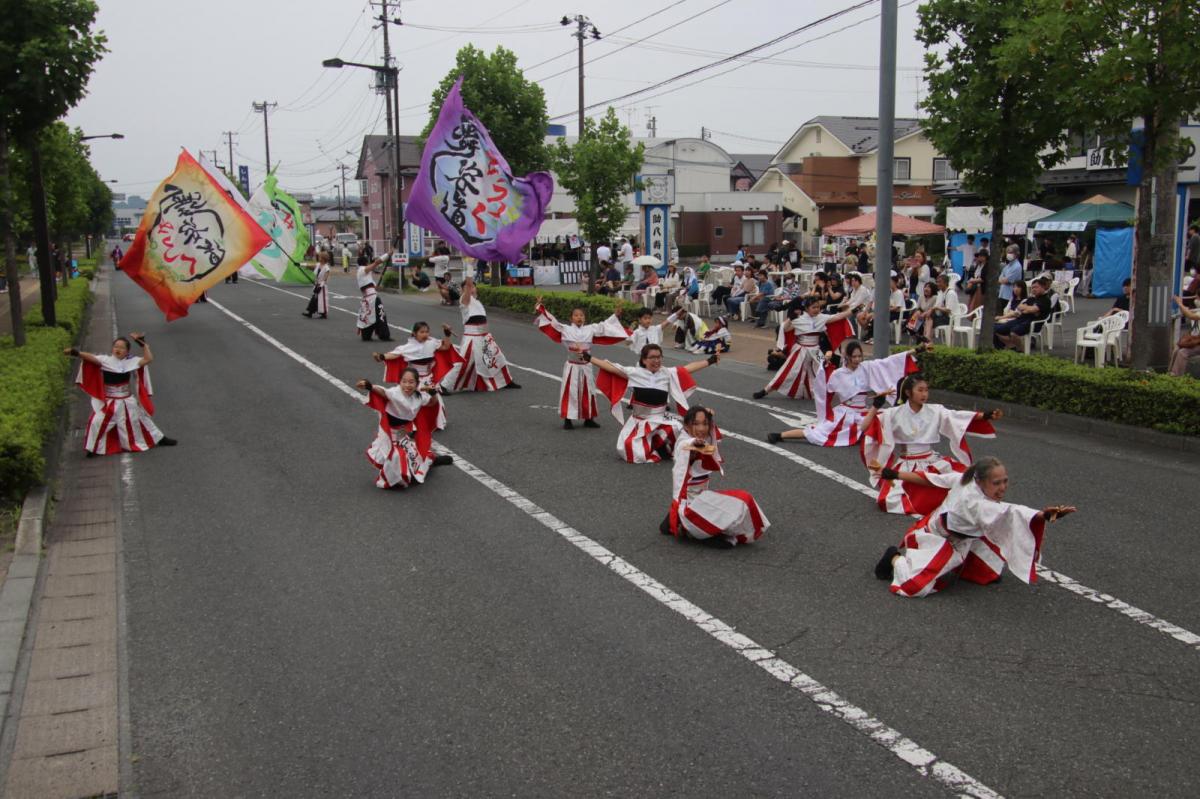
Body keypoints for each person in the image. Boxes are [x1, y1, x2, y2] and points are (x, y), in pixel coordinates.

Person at [871, 456, 1075, 598]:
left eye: (1005, 481)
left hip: (967, 537)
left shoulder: (965, 479)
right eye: (996, 483)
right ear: (981, 481)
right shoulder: (974, 502)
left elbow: (931, 479)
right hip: (941, 540)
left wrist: (894, 474)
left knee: (988, 571)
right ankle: (894, 558)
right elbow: (1010, 512)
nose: (1003, 487)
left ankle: (968, 563)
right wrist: (1044, 515)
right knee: (914, 587)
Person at [860, 372, 1000, 515]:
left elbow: (957, 417)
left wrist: (985, 415)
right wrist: (876, 406)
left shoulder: (935, 410)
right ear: (908, 392)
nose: (924, 394)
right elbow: (865, 428)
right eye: (920, 390)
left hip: (932, 460)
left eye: (926, 390)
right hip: (908, 463)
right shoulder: (893, 413)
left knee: (966, 480)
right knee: (889, 500)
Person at [766, 341, 922, 448]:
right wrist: (824, 363)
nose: (857, 359)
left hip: (864, 411)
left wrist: (917, 350)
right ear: (846, 356)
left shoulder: (867, 367)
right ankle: (780, 435)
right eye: (854, 356)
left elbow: (890, 361)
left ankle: (916, 441)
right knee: (818, 432)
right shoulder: (838, 374)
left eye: (859, 356)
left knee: (890, 418)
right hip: (845, 413)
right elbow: (824, 387)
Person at [662, 406, 769, 547]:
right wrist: (694, 443)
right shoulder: (685, 442)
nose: (701, 428)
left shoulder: (706, 439)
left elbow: (712, 439)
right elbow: (686, 445)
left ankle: (676, 523)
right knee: (739, 505)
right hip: (688, 504)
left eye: (705, 424)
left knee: (744, 500)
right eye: (696, 424)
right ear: (687, 426)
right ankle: (689, 527)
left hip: (702, 497)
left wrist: (708, 418)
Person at [590, 344, 717, 463]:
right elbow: (610, 367)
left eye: (659, 357)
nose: (656, 360)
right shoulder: (634, 373)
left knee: (678, 429)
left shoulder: (667, 373)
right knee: (634, 454)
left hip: (661, 419)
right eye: (652, 357)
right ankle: (660, 446)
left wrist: (710, 360)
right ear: (644, 360)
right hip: (639, 421)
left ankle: (672, 447)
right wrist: (589, 358)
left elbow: (688, 368)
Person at [67, 333, 177, 455]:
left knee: (143, 419)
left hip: (127, 400)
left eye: (121, 347)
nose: (118, 349)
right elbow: (90, 357)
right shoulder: (105, 360)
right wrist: (75, 352)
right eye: (115, 347)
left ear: (127, 351)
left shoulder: (131, 361)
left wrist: (143, 345)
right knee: (96, 421)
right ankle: (92, 449)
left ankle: (160, 439)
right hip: (109, 401)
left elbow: (148, 359)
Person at [534, 297, 630, 429]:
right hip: (572, 366)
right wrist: (540, 307)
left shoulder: (590, 329)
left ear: (585, 318)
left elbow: (605, 326)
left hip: (586, 366)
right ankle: (568, 419)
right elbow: (552, 322)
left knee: (589, 391)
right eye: (576, 315)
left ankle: (588, 418)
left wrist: (616, 315)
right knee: (570, 391)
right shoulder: (565, 329)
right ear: (571, 318)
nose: (579, 317)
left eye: (581, 315)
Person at [357, 368, 452, 489]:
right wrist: (369, 386)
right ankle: (390, 480)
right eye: (404, 381)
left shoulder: (418, 396)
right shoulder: (394, 393)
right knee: (396, 457)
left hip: (403, 435)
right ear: (400, 382)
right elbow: (382, 391)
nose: (407, 385)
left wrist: (433, 393)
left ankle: (432, 461)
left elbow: (432, 403)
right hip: (388, 436)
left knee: (417, 459)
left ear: (417, 383)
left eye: (411, 382)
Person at [753, 297, 854, 400]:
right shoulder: (799, 320)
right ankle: (765, 390)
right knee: (788, 372)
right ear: (806, 308)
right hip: (801, 350)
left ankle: (841, 392)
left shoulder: (822, 317)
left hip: (816, 350)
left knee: (825, 369)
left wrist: (853, 310)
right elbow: (786, 329)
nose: (816, 309)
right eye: (813, 307)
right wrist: (790, 319)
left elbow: (838, 316)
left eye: (818, 307)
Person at [445, 278, 520, 391]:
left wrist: (487, 334)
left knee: (498, 358)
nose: (471, 289)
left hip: (484, 336)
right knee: (464, 363)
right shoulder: (464, 301)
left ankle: (506, 381)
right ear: (463, 290)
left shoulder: (477, 302)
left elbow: (483, 321)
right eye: (468, 287)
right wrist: (469, 271)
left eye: (473, 287)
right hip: (472, 337)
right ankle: (444, 386)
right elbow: (467, 292)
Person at [993, 276, 1052, 350]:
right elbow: (1020, 307)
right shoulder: (1031, 298)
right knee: (994, 328)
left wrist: (1028, 309)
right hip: (1020, 319)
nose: (1033, 289)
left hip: (1032, 323)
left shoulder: (1045, 300)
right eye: (1032, 288)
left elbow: (1033, 310)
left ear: (1043, 287)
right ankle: (1012, 346)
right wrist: (1028, 309)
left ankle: (1022, 350)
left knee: (1014, 332)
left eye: (1036, 287)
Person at [857, 275, 905, 343]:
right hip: (887, 312)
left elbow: (897, 307)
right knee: (871, 316)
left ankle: (873, 335)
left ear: (895, 283)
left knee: (877, 316)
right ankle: (871, 333)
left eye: (890, 282)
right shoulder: (890, 292)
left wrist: (884, 310)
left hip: (896, 313)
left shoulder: (899, 293)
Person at [357, 251, 392, 341]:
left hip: (370, 297)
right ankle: (384, 335)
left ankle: (367, 335)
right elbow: (377, 262)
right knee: (380, 315)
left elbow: (373, 287)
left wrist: (377, 287)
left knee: (369, 316)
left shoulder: (365, 274)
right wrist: (387, 255)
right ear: (366, 263)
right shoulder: (362, 270)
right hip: (372, 298)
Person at [1169, 295, 1200, 376]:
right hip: (1197, 340)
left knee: (1183, 352)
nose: (1196, 300)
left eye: (1197, 298)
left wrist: (1179, 303)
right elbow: (1189, 313)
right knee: (1177, 349)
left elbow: (1191, 316)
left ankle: (1176, 376)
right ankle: (1170, 373)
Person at [996, 244, 1024, 315]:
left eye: (1011, 252)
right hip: (1002, 293)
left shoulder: (1017, 266)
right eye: (1007, 252)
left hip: (1009, 295)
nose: (1008, 254)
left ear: (1016, 253)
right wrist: (1003, 279)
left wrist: (1003, 279)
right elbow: (999, 278)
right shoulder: (1008, 265)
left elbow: (1006, 280)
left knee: (1005, 314)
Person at [303, 251, 330, 318]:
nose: (318, 258)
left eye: (320, 257)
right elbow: (310, 266)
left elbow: (325, 279)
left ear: (323, 258)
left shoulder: (326, 267)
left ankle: (323, 314)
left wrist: (320, 287)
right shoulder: (318, 265)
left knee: (321, 300)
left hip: (322, 287)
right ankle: (310, 313)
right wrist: (300, 264)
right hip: (317, 285)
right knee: (315, 299)